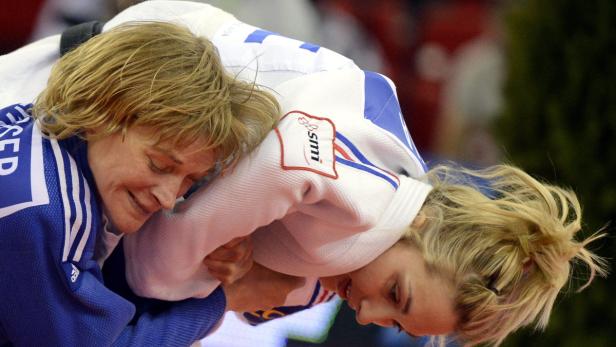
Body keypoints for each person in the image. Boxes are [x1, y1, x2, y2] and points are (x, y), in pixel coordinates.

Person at [0, 2, 607, 346]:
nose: (369, 316)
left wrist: (225, 287)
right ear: (420, 227)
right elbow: (155, 271)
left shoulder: (347, 251)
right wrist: (209, 290)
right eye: (396, 295)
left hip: (132, 70)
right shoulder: (363, 198)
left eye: (396, 324)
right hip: (106, 90)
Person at [0, 20, 286, 345]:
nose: (168, 198)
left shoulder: (39, 131)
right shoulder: (43, 211)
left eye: (189, 179)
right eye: (160, 164)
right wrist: (223, 299)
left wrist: (200, 267)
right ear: (102, 110)